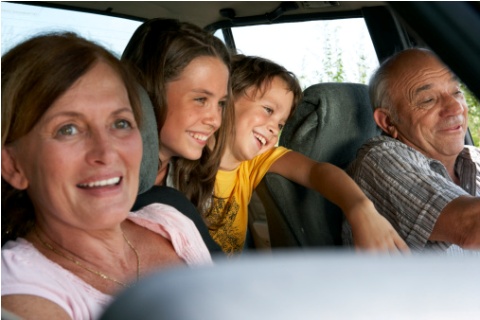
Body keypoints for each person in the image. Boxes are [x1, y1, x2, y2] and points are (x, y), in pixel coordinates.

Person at [1, 33, 212, 320]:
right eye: (68, 129)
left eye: (121, 123)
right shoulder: (20, 291)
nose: (107, 151)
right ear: (13, 165)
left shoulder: (170, 221)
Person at [207, 54, 409, 255]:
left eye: (281, 124)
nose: (273, 129)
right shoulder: (181, 169)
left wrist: (361, 209)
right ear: (223, 99)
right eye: (268, 109)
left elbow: (316, 171)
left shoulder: (253, 163)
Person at [343, 48, 480, 254]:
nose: (455, 107)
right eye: (428, 100)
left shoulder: (473, 157)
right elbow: (472, 226)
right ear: (388, 121)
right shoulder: (381, 160)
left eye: (456, 92)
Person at [122, 18, 234, 254]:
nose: (215, 120)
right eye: (200, 100)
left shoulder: (190, 176)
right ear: (150, 94)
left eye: (220, 103)